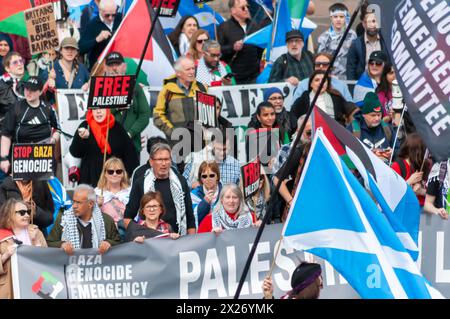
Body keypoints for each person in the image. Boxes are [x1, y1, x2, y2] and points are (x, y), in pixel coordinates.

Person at [123, 143, 196, 235]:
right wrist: (138, 234)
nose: (164, 163)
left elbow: (190, 216)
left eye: (167, 159)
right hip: (149, 242)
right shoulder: (140, 183)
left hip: (178, 240)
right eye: (160, 160)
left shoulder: (180, 181)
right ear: (151, 162)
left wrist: (191, 241)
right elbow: (127, 217)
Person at [0, 77, 60, 174]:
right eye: (27, 89)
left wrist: (53, 140)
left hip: (44, 159)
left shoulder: (48, 108)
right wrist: (3, 158)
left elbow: (58, 129)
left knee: (43, 188)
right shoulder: (16, 107)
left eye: (33, 90)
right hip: (21, 159)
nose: (28, 92)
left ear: (40, 92)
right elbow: (6, 134)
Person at [68, 108, 139, 187]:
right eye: (95, 109)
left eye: (102, 108)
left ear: (107, 110)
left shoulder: (117, 127)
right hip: (90, 182)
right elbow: (75, 153)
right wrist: (81, 139)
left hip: (114, 183)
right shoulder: (85, 126)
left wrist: (125, 179)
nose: (98, 111)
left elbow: (131, 155)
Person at [47, 184, 121, 254]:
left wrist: (108, 243)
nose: (74, 206)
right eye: (74, 201)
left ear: (90, 204)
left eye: (78, 202)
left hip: (99, 265)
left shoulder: (106, 220)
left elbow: (119, 244)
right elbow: (49, 243)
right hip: (72, 265)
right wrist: (61, 244)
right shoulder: (63, 220)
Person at [153, 56, 207, 146]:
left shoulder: (202, 88)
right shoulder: (167, 90)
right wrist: (173, 133)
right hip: (177, 144)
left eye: (193, 68)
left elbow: (210, 114)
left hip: (200, 143)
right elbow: (157, 116)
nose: (192, 72)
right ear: (178, 73)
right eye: (188, 69)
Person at [0, 198, 47, 299]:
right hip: (10, 290)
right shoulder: (1, 236)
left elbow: (47, 262)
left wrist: (35, 241)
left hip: (34, 287)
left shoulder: (36, 232)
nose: (26, 215)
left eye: (28, 212)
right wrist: (5, 256)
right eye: (22, 212)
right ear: (10, 215)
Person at [105, 51, 150, 152]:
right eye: (111, 65)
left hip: (132, 145)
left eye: (117, 64)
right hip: (108, 146)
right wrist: (116, 107)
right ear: (106, 68)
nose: (114, 68)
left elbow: (145, 114)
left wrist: (130, 133)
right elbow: (95, 114)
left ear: (124, 67)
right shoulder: (100, 88)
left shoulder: (135, 87)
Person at [217, 0, 265, 84]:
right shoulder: (224, 27)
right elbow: (218, 50)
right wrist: (233, 48)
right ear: (233, 10)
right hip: (234, 78)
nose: (246, 9)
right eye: (243, 7)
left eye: (247, 6)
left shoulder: (254, 25)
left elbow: (260, 49)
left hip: (254, 77)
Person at [291, 70, 357, 127]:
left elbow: (350, 108)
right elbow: (293, 114)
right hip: (312, 132)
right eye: (317, 80)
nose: (321, 82)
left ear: (327, 83)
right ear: (311, 84)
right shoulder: (304, 97)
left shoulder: (335, 97)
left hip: (334, 131)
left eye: (324, 80)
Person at [347, 92, 395, 161]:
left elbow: (398, 153)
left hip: (385, 169)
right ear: (364, 114)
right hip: (362, 170)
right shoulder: (353, 129)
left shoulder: (387, 128)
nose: (377, 118)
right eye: (373, 115)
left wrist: (392, 153)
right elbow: (346, 156)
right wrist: (371, 155)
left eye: (379, 115)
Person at [79, 0, 123, 70]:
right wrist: (97, 39)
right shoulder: (92, 24)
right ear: (100, 11)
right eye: (107, 15)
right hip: (99, 68)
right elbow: (81, 48)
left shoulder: (121, 18)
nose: (110, 18)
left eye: (113, 15)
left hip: (118, 66)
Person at [317, 3, 357, 80]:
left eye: (341, 17)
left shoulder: (352, 35)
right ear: (331, 18)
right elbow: (320, 61)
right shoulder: (323, 37)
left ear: (346, 18)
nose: (338, 19)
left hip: (348, 78)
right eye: (335, 17)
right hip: (329, 78)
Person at [347, 11, 389, 80]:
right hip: (363, 85)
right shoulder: (356, 44)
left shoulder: (386, 42)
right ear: (363, 24)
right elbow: (351, 68)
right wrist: (352, 87)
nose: (372, 25)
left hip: (384, 84)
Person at [95, 157, 131, 237]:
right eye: (110, 172)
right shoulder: (96, 193)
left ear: (123, 174)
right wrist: (97, 206)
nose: (115, 174)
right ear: (105, 174)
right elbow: (90, 219)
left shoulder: (130, 192)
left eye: (118, 171)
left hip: (127, 233)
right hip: (106, 234)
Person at [391, 133, 428, 206]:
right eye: (424, 150)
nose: (426, 154)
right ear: (417, 151)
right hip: (406, 209)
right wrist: (409, 181)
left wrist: (421, 191)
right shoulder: (397, 166)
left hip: (424, 209)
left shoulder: (426, 165)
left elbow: (435, 195)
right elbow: (392, 194)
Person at [246, 102, 281, 172]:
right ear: (258, 117)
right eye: (265, 115)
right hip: (263, 176)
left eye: (272, 114)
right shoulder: (254, 136)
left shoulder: (277, 131)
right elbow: (253, 162)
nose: (270, 117)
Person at [191, 161, 223, 228]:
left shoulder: (225, 192)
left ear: (217, 176)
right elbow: (193, 218)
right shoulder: (194, 194)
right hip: (203, 233)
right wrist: (205, 202)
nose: (208, 179)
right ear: (201, 179)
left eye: (211, 175)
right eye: (204, 176)